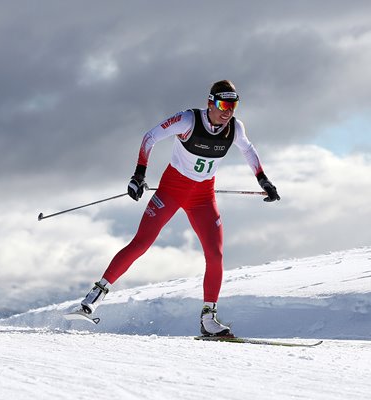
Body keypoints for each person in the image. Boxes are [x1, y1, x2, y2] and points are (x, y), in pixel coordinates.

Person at [75, 80, 280, 337]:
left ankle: (209, 318)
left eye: (234, 105)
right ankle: (97, 293)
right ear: (210, 102)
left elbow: (249, 151)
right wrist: (139, 175)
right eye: (224, 104)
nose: (228, 111)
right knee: (141, 242)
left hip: (203, 197)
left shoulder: (235, 129)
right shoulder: (188, 120)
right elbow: (150, 137)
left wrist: (264, 180)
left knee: (215, 255)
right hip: (171, 191)